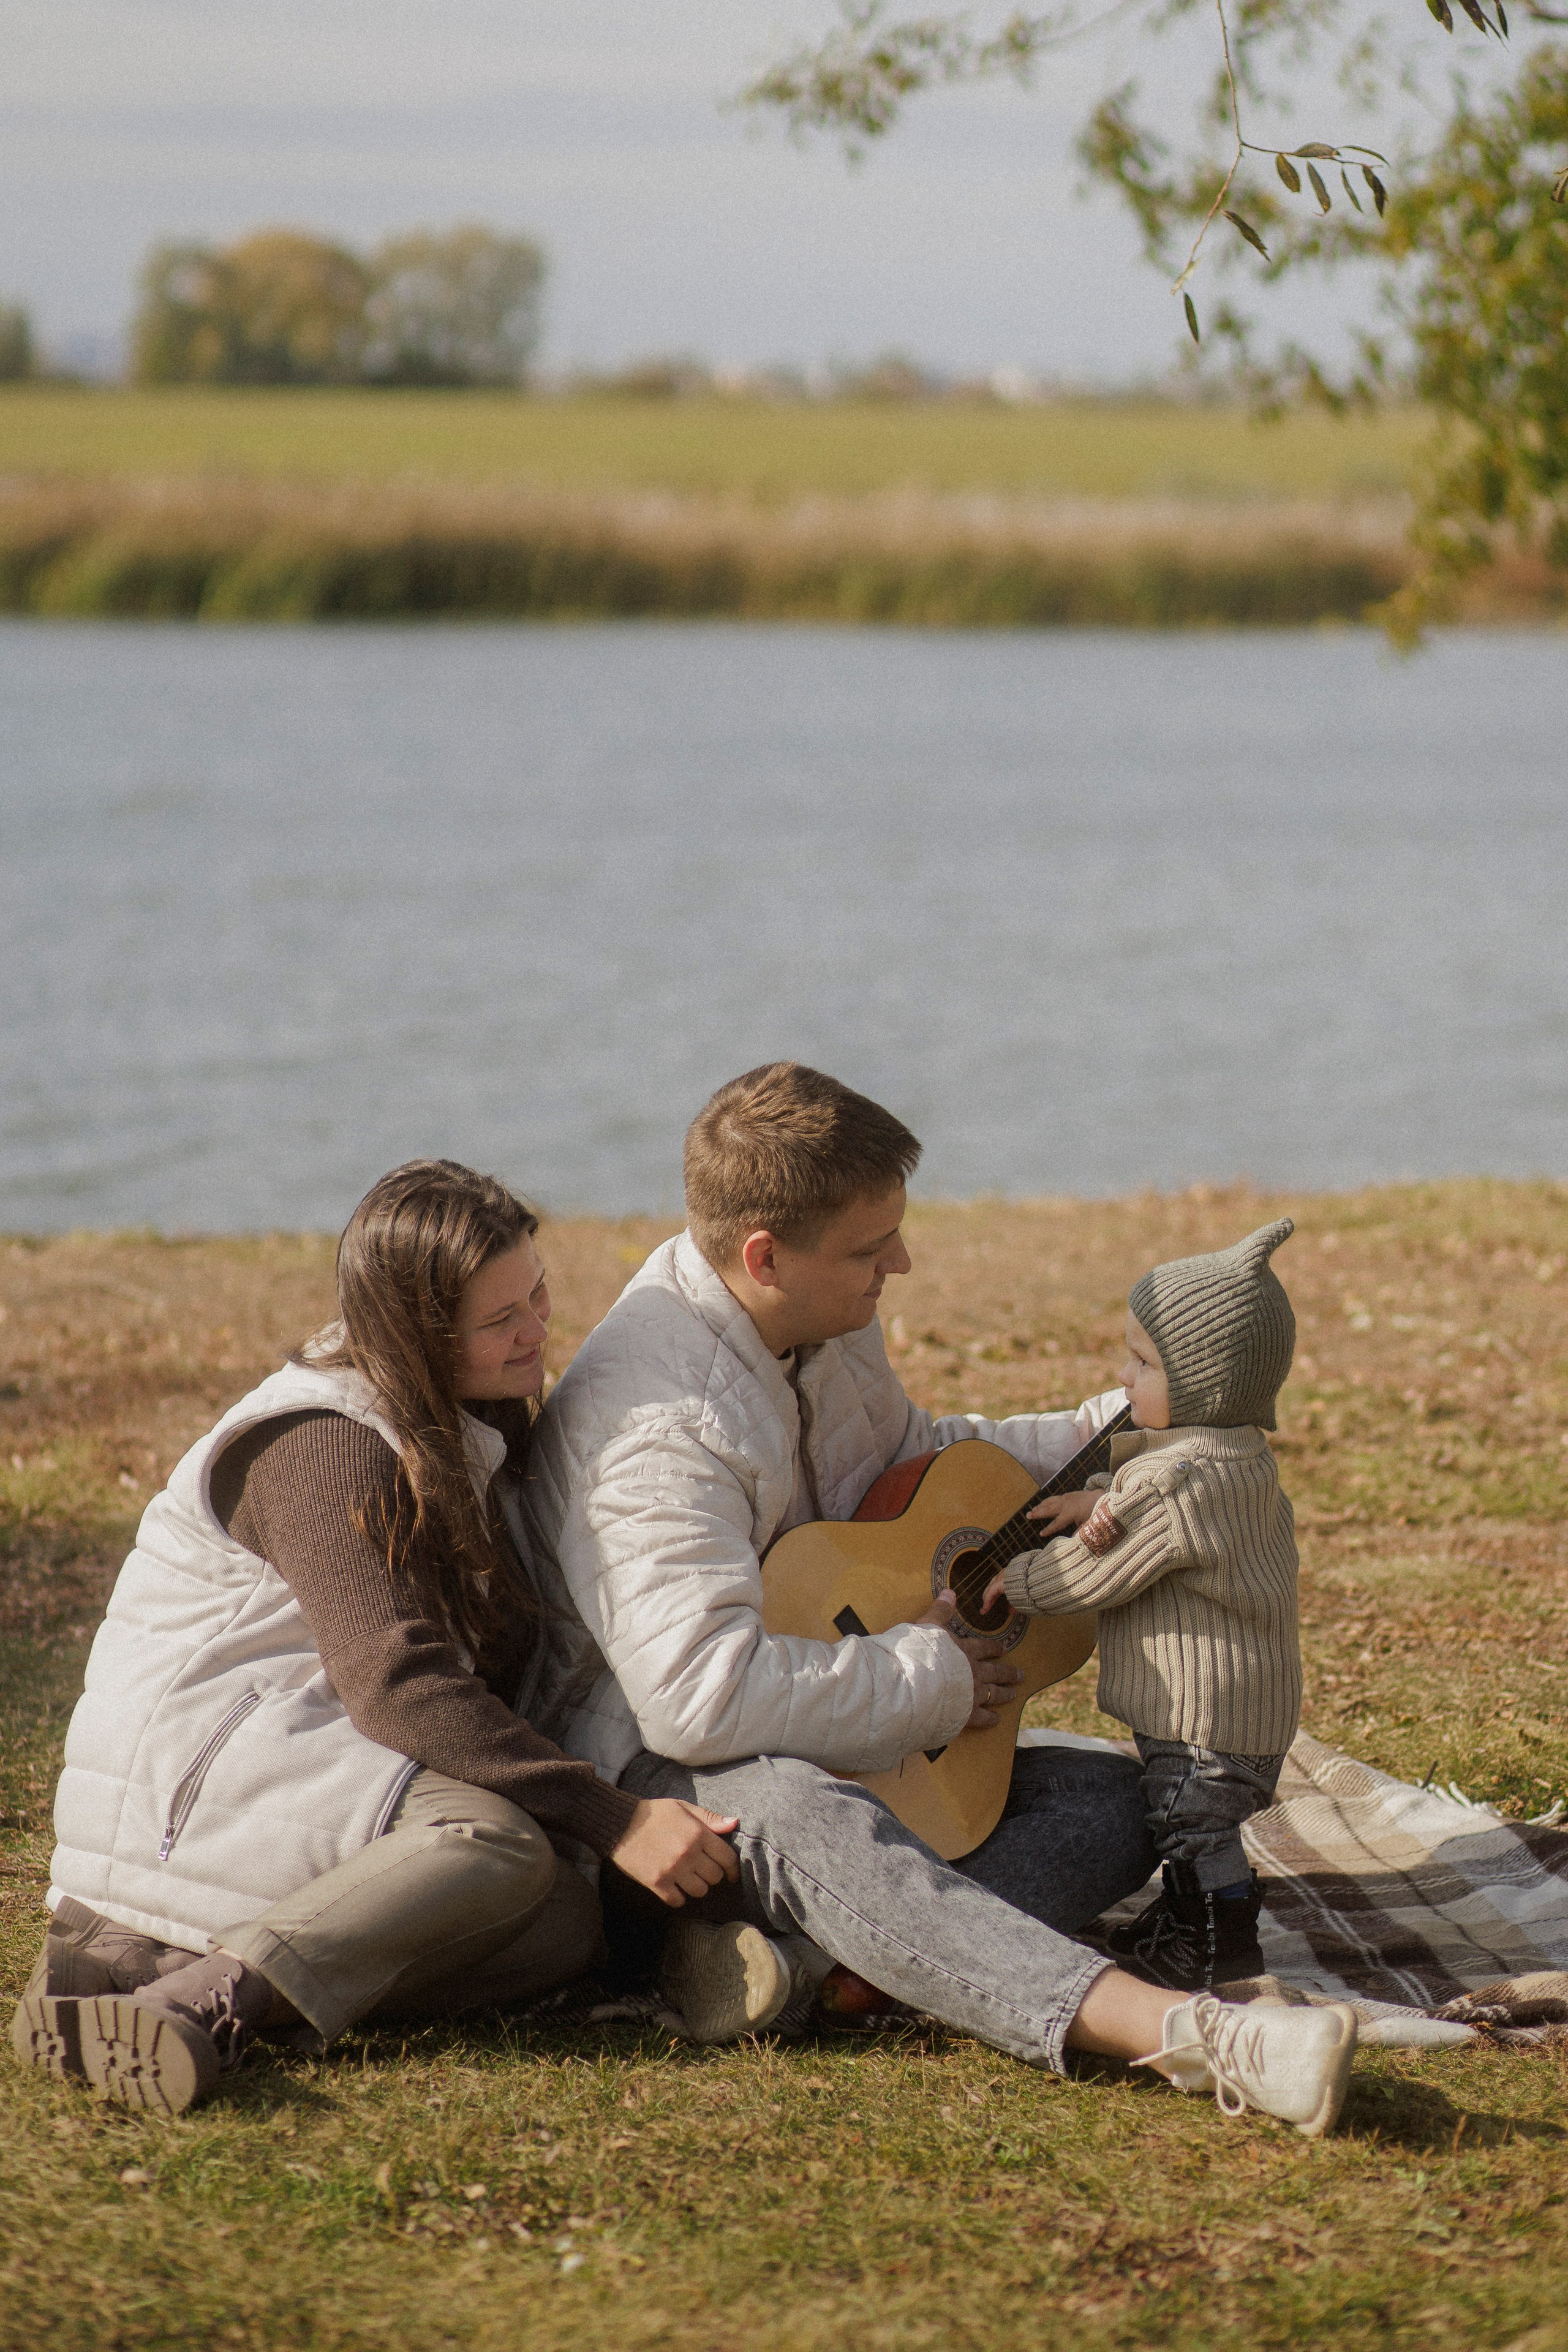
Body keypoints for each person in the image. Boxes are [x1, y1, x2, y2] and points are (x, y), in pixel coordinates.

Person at [523, 1065, 1358, 2135]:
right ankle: (1188, 2036)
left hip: (834, 1715)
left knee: (1129, 1800)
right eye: (872, 1249)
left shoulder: (818, 1318)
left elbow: (911, 1465)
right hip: (658, 1784)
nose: (900, 1264)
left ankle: (819, 1964)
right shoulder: (655, 1430)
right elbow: (697, 1700)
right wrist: (934, 1678)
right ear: (764, 1256)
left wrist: (1144, 1421)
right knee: (812, 1820)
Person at [11, 1159, 742, 2116]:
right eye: (500, 1320)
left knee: (564, 1921)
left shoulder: (460, 1418)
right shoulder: (322, 1442)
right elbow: (396, 1682)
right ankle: (207, 1994)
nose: (536, 1332)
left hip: (310, 1753)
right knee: (501, 1846)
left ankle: (149, 1994)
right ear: (414, 1334)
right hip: (192, 1788)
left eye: (539, 1295)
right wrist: (616, 1817)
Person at [982, 1219, 1302, 1991]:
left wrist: (1014, 1579)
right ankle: (1192, 1916)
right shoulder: (1224, 1460)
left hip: (1206, 1720)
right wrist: (1095, 1496)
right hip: (1241, 1707)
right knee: (1187, 1821)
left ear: (1206, 1386)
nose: (1123, 1378)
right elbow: (1144, 1505)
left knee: (1191, 1825)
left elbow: (1094, 1578)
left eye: (1144, 1363)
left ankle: (1219, 1943)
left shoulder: (1179, 1484)